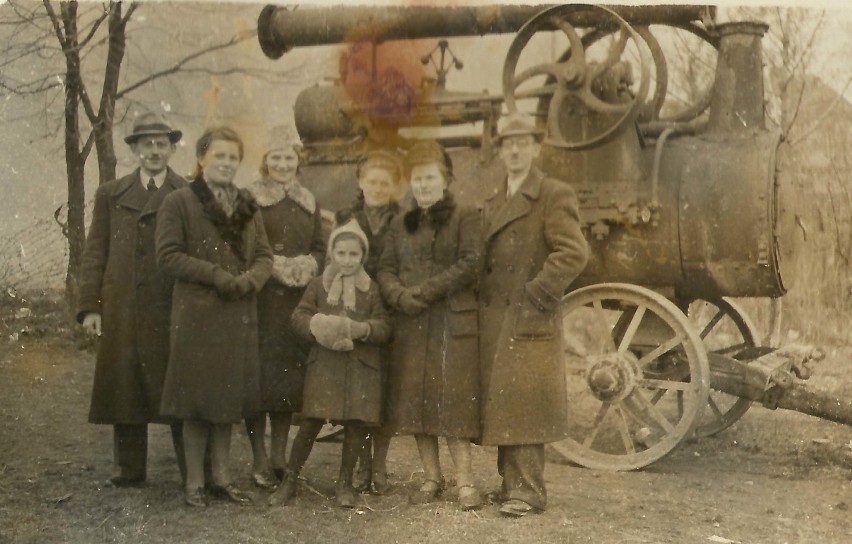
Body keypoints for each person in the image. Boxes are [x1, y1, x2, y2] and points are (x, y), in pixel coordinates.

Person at [156, 126, 273, 507]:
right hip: (198, 315)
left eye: (232, 157)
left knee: (226, 402)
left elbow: (265, 256)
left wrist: (252, 280)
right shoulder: (180, 201)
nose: (226, 163)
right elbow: (169, 256)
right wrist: (217, 276)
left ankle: (221, 479)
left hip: (238, 312)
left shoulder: (247, 203)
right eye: (218, 155)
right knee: (196, 403)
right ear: (202, 158)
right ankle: (194, 484)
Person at [478, 114, 588, 517]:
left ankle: (527, 491)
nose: (515, 150)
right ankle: (510, 484)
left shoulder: (551, 194)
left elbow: (574, 252)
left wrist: (537, 293)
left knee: (523, 404)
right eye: (508, 143)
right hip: (497, 318)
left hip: (527, 314)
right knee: (507, 401)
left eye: (522, 143)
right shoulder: (495, 197)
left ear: (535, 148)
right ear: (500, 150)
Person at [77, 111, 188, 487]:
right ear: (135, 150)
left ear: (171, 149)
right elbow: (96, 251)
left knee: (177, 385)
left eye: (161, 145)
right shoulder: (111, 194)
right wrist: (90, 306)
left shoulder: (186, 193)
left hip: (171, 303)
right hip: (122, 303)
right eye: (146, 145)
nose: (154, 152)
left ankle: (192, 470)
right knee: (124, 385)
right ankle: (129, 469)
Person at [377, 140, 483, 511]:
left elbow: (471, 262)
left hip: (450, 322)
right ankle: (431, 477)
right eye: (416, 179)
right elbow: (385, 268)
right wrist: (398, 296)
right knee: (417, 402)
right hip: (412, 323)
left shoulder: (466, 215)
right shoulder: (398, 223)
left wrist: (424, 291)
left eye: (429, 178)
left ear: (446, 179)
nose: (422, 186)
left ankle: (466, 481)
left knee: (451, 403)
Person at [268, 219, 391, 508]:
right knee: (310, 422)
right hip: (324, 364)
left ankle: (345, 483)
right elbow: (297, 318)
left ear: (362, 256)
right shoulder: (318, 285)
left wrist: (361, 329)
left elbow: (385, 327)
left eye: (353, 254)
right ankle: (290, 480)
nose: (347, 260)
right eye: (341, 253)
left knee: (355, 425)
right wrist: (318, 324)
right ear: (331, 254)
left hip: (360, 366)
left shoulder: (370, 289)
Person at [244, 128, 325, 489]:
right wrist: (274, 266)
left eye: (288, 158)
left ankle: (279, 455)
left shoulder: (309, 200)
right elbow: (243, 245)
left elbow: (322, 247)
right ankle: (258, 458)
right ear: (265, 162)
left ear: (298, 161)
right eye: (275, 158)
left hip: (295, 306)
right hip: (261, 301)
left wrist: (306, 266)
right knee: (257, 381)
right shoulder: (251, 198)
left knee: (286, 382)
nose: (282, 164)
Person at [336, 148, 404, 495]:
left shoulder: (403, 220)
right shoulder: (346, 217)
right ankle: (361, 463)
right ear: (361, 183)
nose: (377, 188)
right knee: (360, 392)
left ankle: (380, 466)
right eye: (371, 181)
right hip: (356, 310)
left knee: (386, 392)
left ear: (393, 187)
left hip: (389, 313)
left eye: (384, 183)